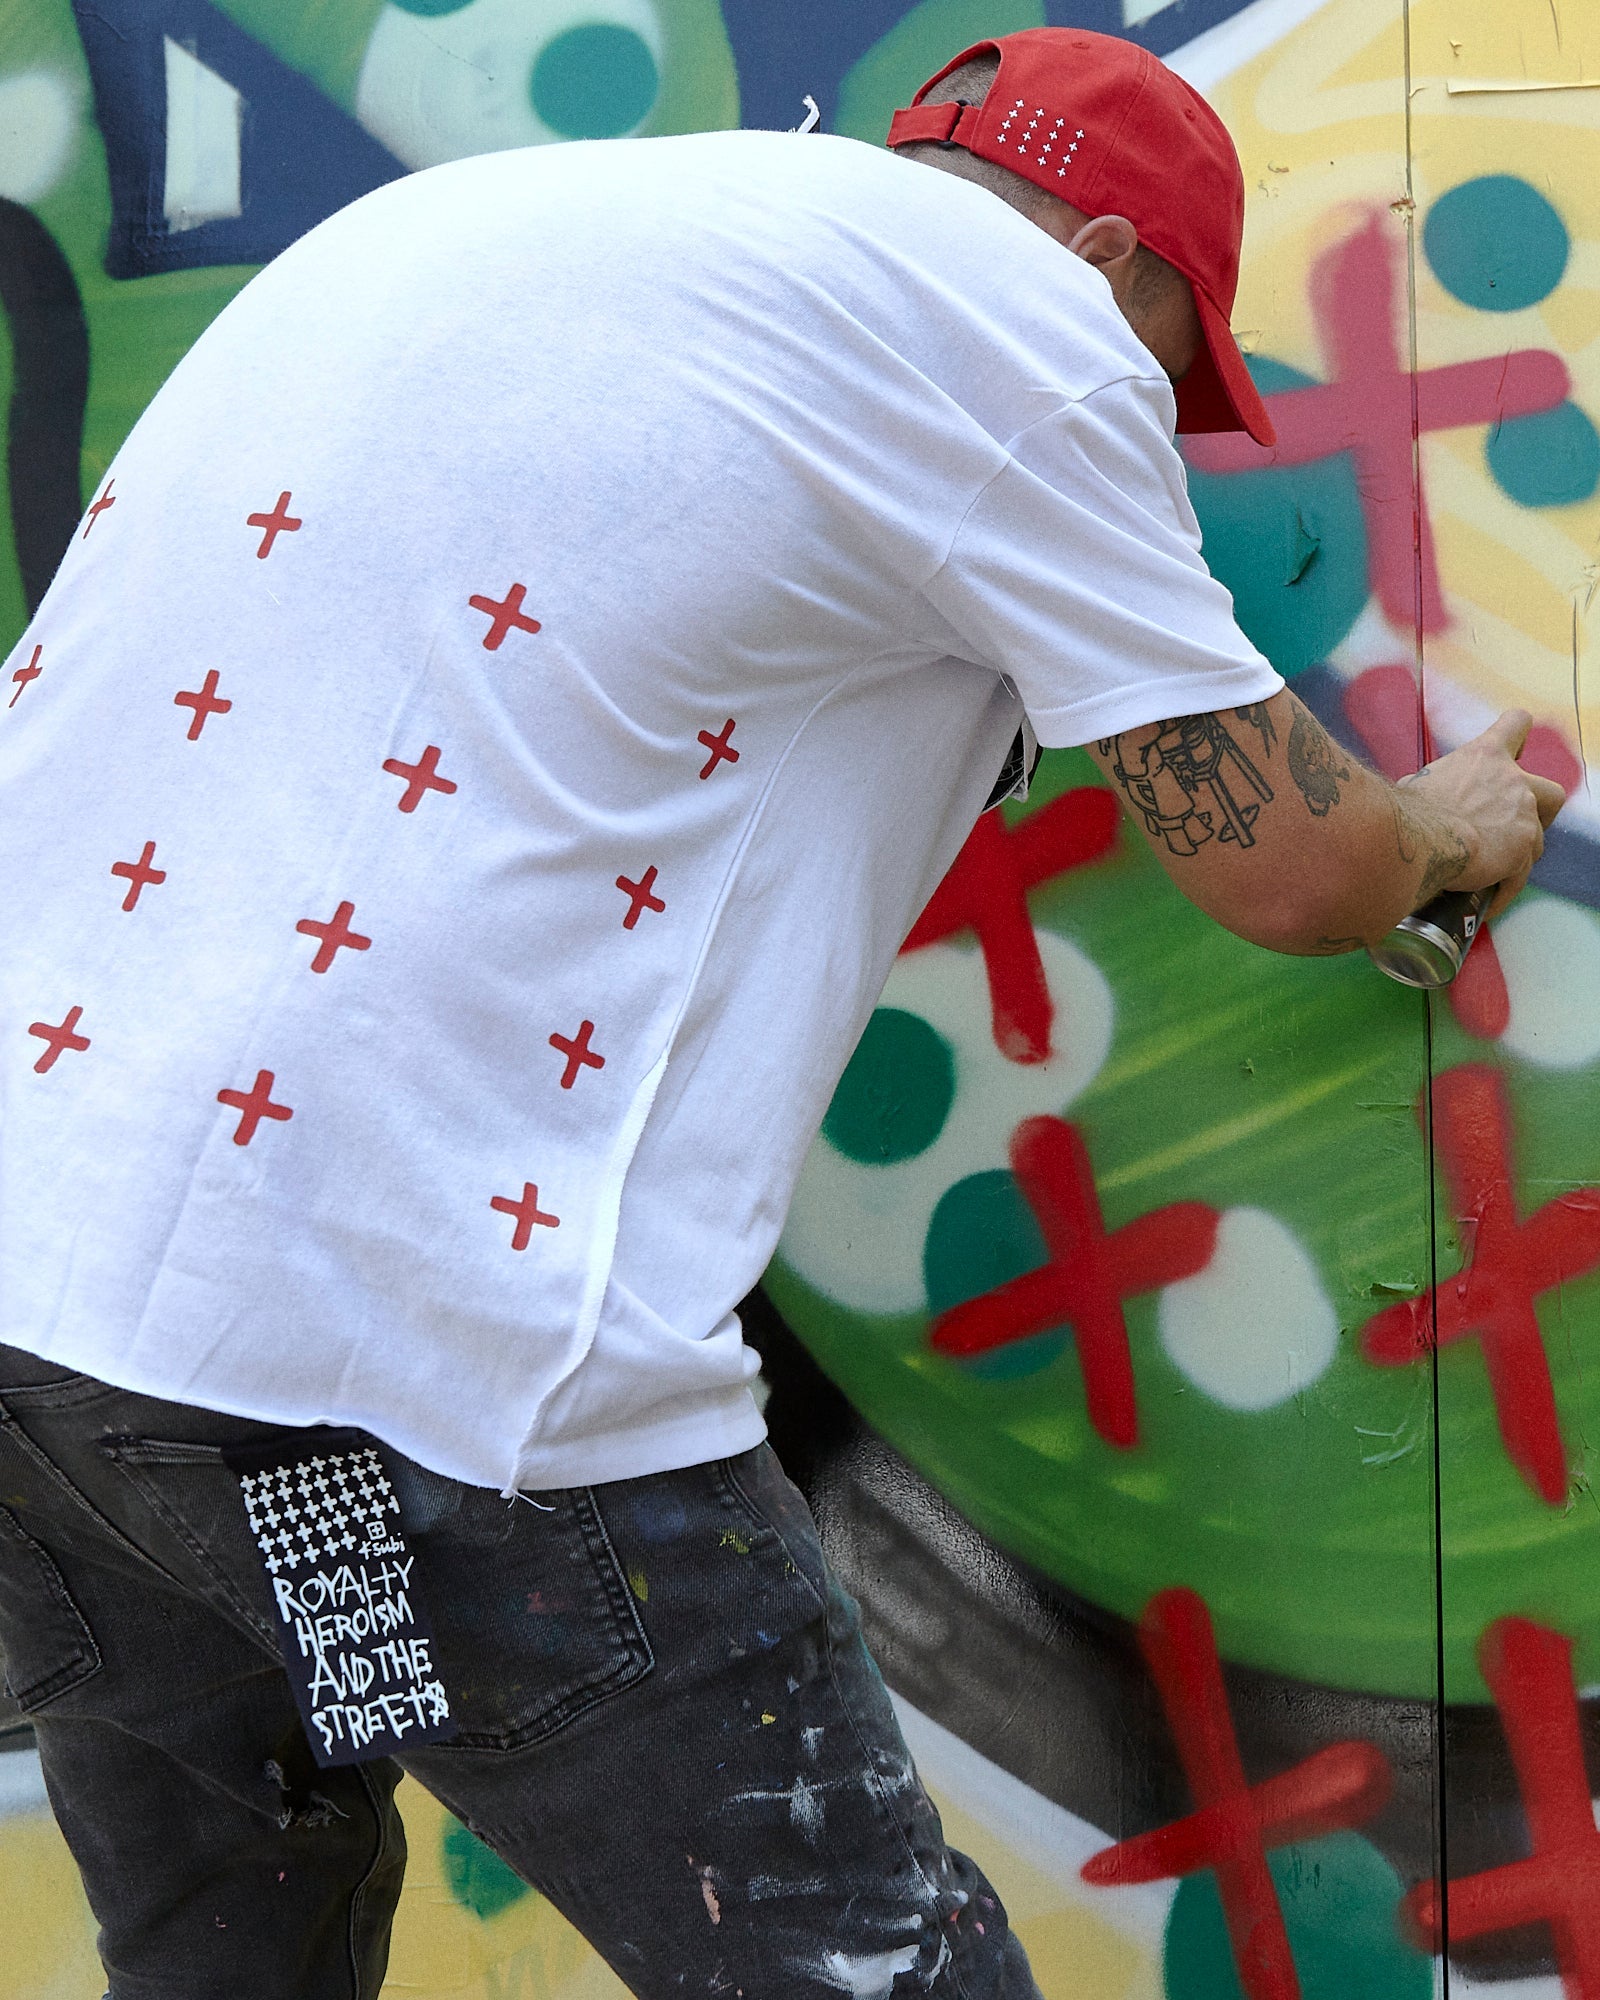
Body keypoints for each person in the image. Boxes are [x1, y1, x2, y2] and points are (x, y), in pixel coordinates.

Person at [0, 26, 1561, 2000]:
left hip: (63, 1329)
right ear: (1103, 258)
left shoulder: (477, 229)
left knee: (235, 1943)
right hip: (424, 1361)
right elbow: (1290, 867)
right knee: (865, 1971)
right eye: (1171, 378)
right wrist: (1438, 831)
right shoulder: (1009, 321)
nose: (1152, 438)